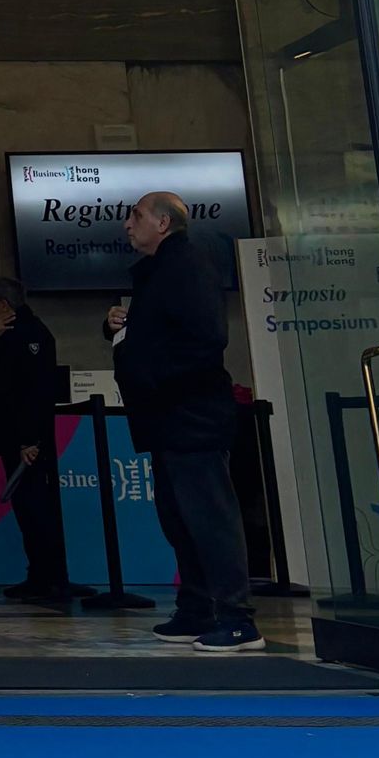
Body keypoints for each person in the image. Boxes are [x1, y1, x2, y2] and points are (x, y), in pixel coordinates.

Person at [106, 192, 261, 652]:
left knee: (210, 518)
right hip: (168, 417)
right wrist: (117, 330)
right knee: (179, 519)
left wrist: (151, 377)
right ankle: (196, 609)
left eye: (136, 216)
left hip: (191, 414)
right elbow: (157, 335)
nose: (127, 224)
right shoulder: (159, 271)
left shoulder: (187, 265)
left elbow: (206, 337)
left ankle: (237, 619)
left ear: (163, 223)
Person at [0, 278, 68, 607]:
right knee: (26, 507)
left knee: (35, 507)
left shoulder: (31, 334)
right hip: (12, 434)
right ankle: (40, 574)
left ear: (3, 303)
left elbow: (34, 392)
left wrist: (30, 439)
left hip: (26, 438)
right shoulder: (5, 333)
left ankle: (48, 577)